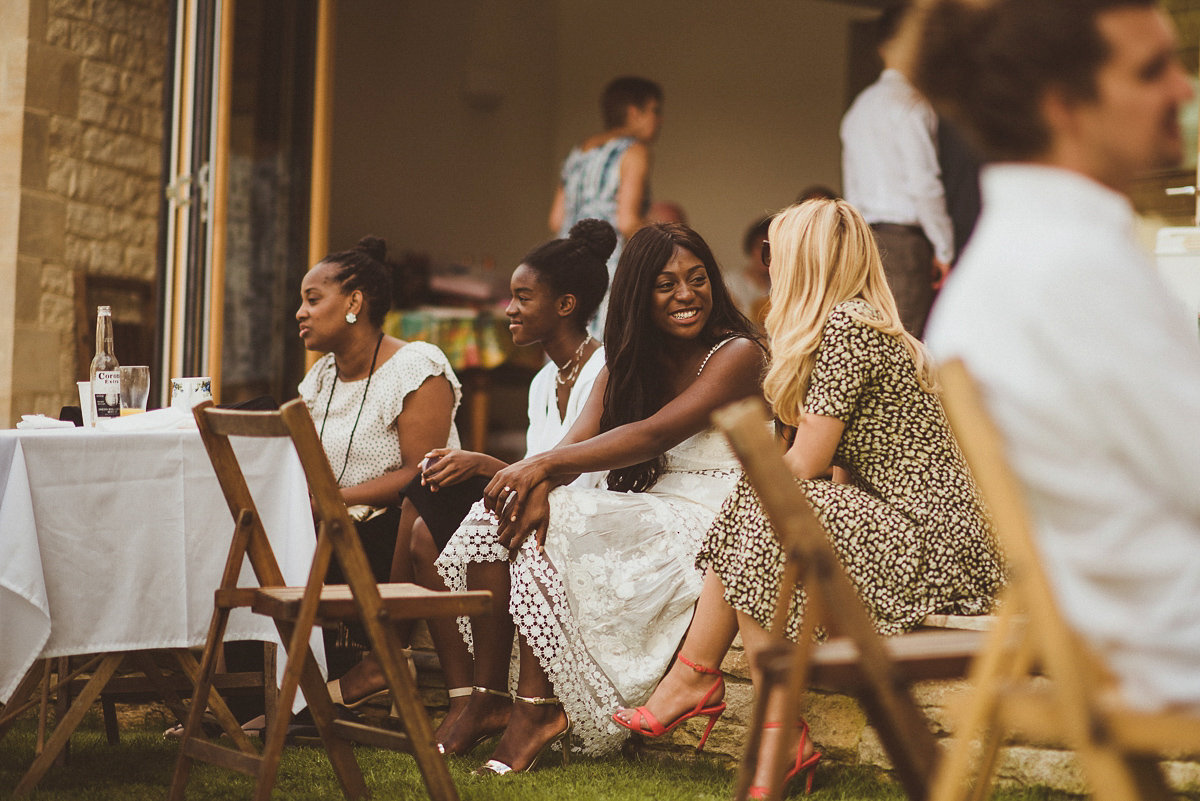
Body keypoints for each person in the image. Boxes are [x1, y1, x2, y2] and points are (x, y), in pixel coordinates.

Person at [615, 200, 1003, 796]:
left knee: (768, 492)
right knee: (767, 501)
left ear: (806, 259)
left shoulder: (849, 327)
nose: (769, 267)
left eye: (777, 253)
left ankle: (712, 689)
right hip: (927, 529)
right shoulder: (855, 325)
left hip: (934, 542)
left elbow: (808, 464)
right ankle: (727, 700)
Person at [913, 0, 1200, 710]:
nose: (1184, 90)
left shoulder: (1028, 260)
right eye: (1152, 71)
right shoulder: (1069, 270)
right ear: (1065, 105)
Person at [433, 223, 766, 774]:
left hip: (716, 515)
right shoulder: (627, 360)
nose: (686, 295)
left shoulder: (737, 354)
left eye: (697, 279)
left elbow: (655, 434)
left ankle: (537, 712)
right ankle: (487, 696)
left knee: (555, 515)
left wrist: (539, 469)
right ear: (638, 293)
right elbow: (574, 445)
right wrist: (535, 483)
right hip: (655, 507)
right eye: (665, 284)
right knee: (497, 515)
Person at [325, 220, 614, 729]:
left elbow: (576, 476)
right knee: (426, 494)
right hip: (537, 505)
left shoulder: (603, 368)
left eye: (523, 297)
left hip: (589, 514)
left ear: (565, 305)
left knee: (424, 496)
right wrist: (476, 466)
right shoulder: (544, 380)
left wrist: (482, 463)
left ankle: (402, 664)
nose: (509, 310)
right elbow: (534, 475)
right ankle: (465, 700)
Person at [296, 236, 461, 590]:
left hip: (393, 531)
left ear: (354, 301)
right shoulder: (320, 376)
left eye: (312, 300)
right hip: (328, 523)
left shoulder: (416, 367)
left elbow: (422, 476)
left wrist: (330, 502)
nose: (300, 312)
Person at [841, 2, 953, 338]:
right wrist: (944, 247)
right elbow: (924, 182)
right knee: (906, 344)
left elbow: (852, 182)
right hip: (905, 243)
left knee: (874, 340)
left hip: (866, 240)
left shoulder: (860, 106)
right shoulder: (910, 103)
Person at [549, 76, 663, 334]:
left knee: (570, 351)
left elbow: (556, 220)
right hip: (608, 273)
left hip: (565, 269)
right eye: (655, 111)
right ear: (634, 113)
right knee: (606, 354)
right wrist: (664, 244)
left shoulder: (577, 153)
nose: (660, 120)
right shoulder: (634, 152)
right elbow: (627, 221)